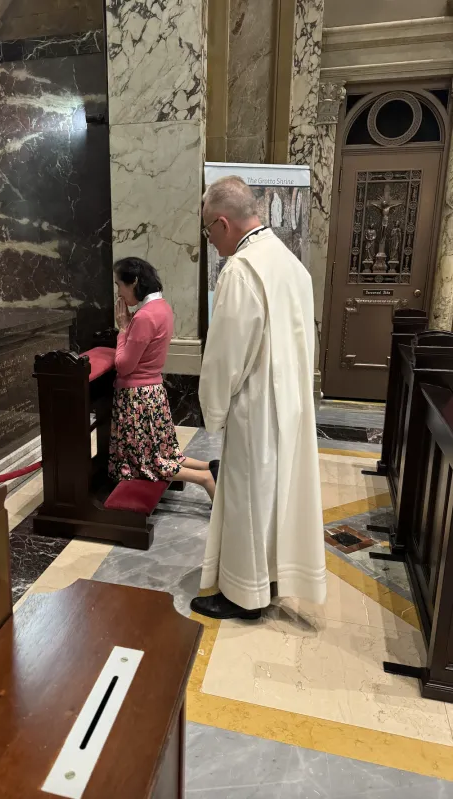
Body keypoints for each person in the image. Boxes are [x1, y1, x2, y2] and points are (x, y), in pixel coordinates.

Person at [190, 176, 326, 620]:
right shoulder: (289, 263)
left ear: (224, 222)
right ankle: (266, 577)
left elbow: (226, 354)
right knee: (274, 497)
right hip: (290, 404)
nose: (210, 241)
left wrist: (213, 408)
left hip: (255, 407)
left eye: (209, 230)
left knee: (249, 498)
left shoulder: (242, 270)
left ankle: (243, 596)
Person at [110, 256, 218, 500]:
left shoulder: (144, 317)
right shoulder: (162, 307)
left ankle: (205, 478)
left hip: (137, 398)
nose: (118, 291)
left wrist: (123, 330)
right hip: (153, 393)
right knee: (165, 453)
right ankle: (211, 467)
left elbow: (124, 365)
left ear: (134, 281)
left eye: (119, 284)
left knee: (150, 463)